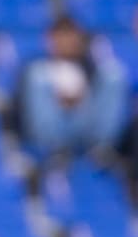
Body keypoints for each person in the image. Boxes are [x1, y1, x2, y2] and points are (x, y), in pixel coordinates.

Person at [16, 14, 129, 162]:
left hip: (87, 126)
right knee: (38, 75)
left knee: (113, 75)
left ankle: (103, 148)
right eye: (60, 36)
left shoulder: (92, 68)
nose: (66, 42)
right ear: (50, 39)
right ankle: (54, 149)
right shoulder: (35, 67)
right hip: (51, 131)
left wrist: (81, 97)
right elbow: (22, 110)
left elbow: (99, 104)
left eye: (70, 36)